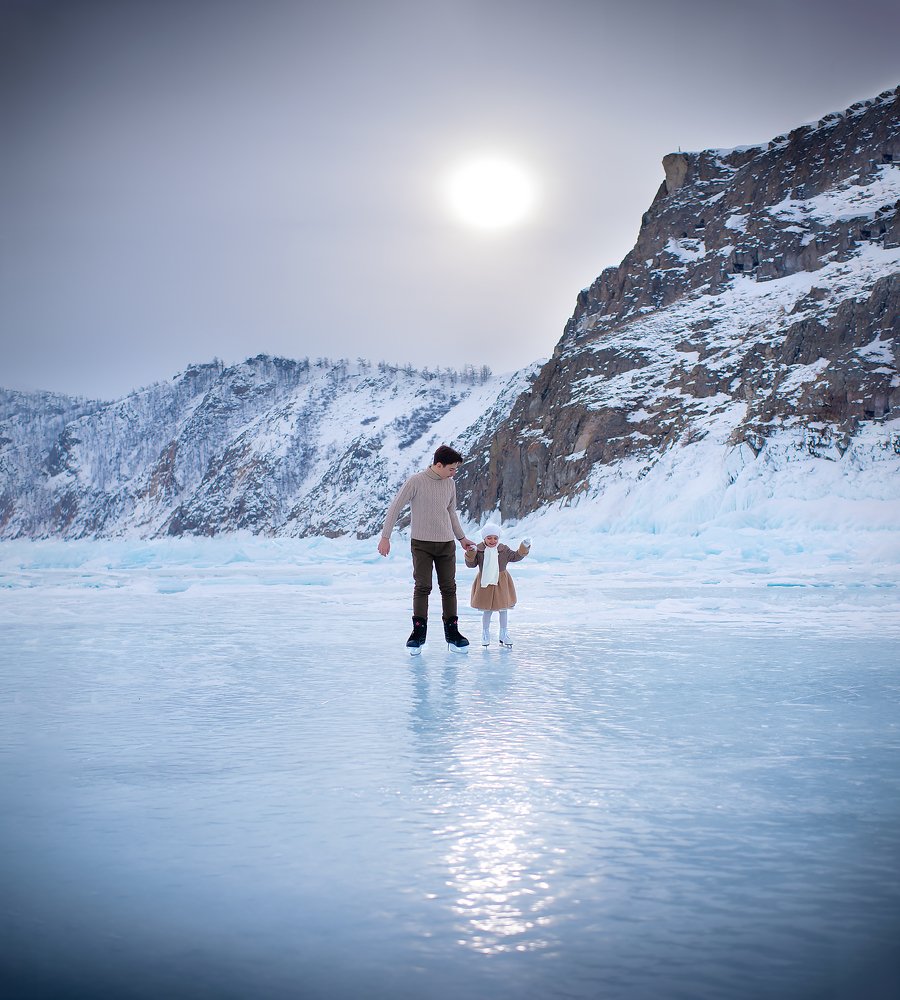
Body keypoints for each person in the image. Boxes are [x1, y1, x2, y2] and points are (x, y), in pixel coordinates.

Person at [378, 445, 477, 653]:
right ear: (438, 465)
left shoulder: (450, 484)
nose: (454, 473)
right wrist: (385, 537)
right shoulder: (416, 481)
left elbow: (451, 513)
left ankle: (453, 633)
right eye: (451, 468)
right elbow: (395, 507)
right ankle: (418, 634)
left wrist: (461, 538)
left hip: (446, 544)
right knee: (423, 587)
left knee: (449, 588)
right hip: (421, 544)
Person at [465, 522, 531, 647]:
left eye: (495, 538)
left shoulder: (503, 549)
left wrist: (524, 546)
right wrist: (471, 553)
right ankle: (485, 634)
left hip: (501, 582)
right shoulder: (479, 549)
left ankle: (503, 634)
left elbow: (516, 556)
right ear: (484, 538)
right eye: (489, 538)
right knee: (487, 610)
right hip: (485, 582)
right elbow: (471, 564)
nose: (492, 541)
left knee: (503, 609)